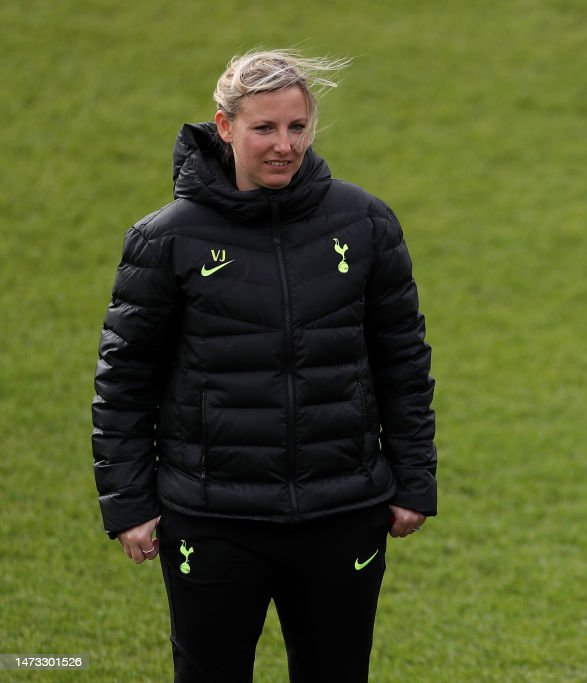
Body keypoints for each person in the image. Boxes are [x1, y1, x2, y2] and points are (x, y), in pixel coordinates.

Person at [91, 49, 437, 682]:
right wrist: (128, 502)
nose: (284, 145)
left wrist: (414, 480)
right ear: (225, 127)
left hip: (342, 512)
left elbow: (402, 361)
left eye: (297, 127)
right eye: (264, 128)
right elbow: (125, 380)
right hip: (214, 519)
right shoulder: (166, 239)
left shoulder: (365, 223)